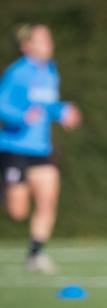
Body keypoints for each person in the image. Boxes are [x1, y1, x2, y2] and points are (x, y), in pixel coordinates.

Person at [0, 24, 81, 273]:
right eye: (42, 40)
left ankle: (35, 255)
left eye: (49, 39)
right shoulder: (17, 72)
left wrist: (63, 111)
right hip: (14, 147)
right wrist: (21, 117)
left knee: (47, 200)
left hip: (41, 149)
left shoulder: (51, 71)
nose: (49, 44)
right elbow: (2, 106)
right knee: (17, 212)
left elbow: (48, 105)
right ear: (27, 46)